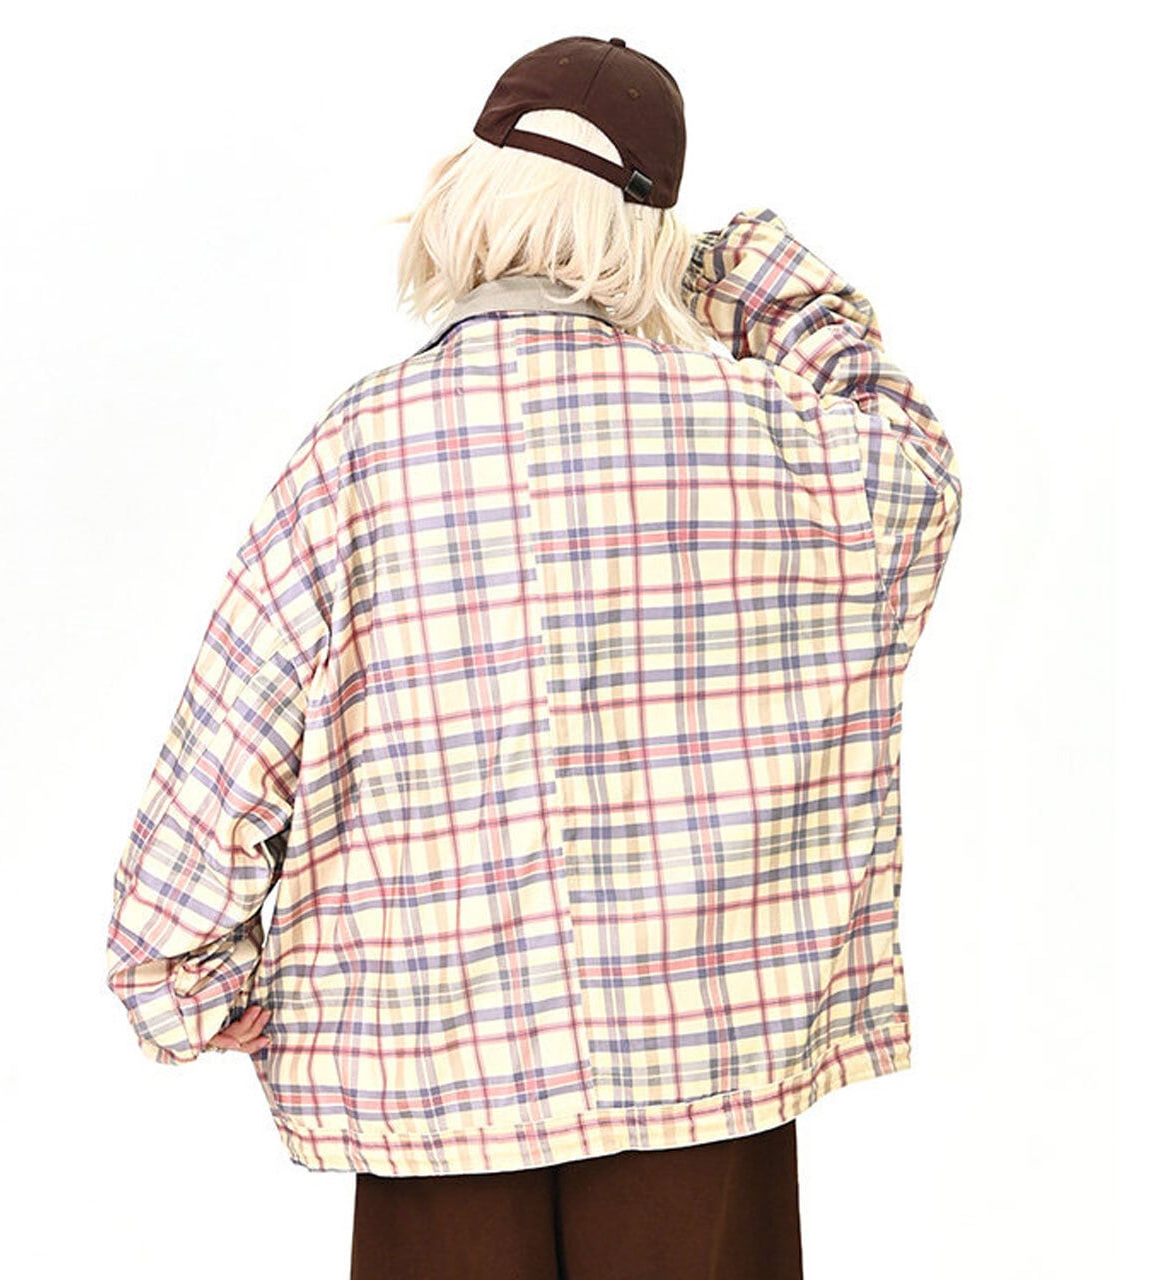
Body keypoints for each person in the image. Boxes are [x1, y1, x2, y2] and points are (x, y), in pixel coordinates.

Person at [105, 34, 963, 1280]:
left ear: (466, 192)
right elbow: (918, 475)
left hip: (431, 1069)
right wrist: (730, 272)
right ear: (646, 232)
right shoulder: (777, 440)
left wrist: (188, 976)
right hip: (704, 1061)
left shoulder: (360, 451)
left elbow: (230, 741)